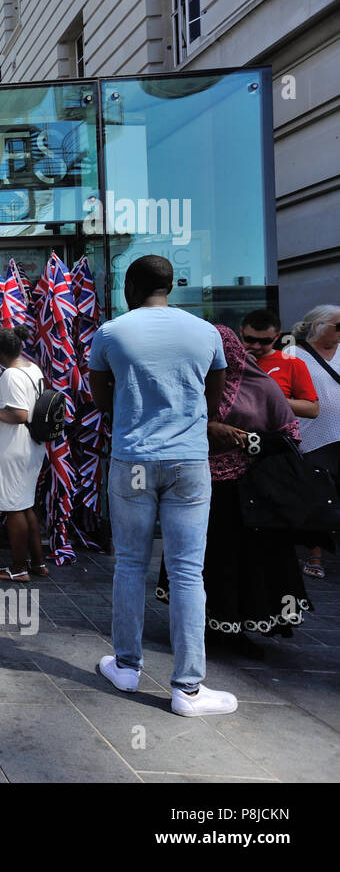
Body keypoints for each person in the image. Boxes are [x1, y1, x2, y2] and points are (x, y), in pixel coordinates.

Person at [88, 254, 237, 717]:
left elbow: (101, 397)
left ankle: (127, 667)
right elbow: (214, 401)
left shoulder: (112, 332)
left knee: (130, 564)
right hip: (189, 461)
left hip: (133, 459)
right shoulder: (206, 332)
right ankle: (188, 689)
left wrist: (137, 413)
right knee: (188, 572)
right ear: (171, 285)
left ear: (132, 285)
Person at [158, 326, 312, 659]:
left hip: (247, 492)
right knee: (204, 559)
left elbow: (290, 437)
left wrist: (245, 440)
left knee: (240, 562)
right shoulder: (190, 384)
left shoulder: (264, 388)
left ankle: (234, 624)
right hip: (196, 483)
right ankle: (200, 623)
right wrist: (206, 429)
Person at [0, 325, 48, 582]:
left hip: (14, 448)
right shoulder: (32, 369)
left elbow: (19, 414)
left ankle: (18, 568)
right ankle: (38, 562)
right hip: (31, 446)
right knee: (26, 504)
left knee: (14, 509)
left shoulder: (11, 376)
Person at [291, 304, 340, 579]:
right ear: (319, 326)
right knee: (318, 496)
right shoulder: (293, 355)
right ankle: (315, 554)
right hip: (313, 434)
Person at [240, 310, 318, 419]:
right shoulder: (228, 360)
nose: (256, 346)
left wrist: (272, 399)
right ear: (241, 332)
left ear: (277, 336)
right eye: (250, 340)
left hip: (272, 433)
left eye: (265, 341)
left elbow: (312, 410)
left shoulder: (291, 363)